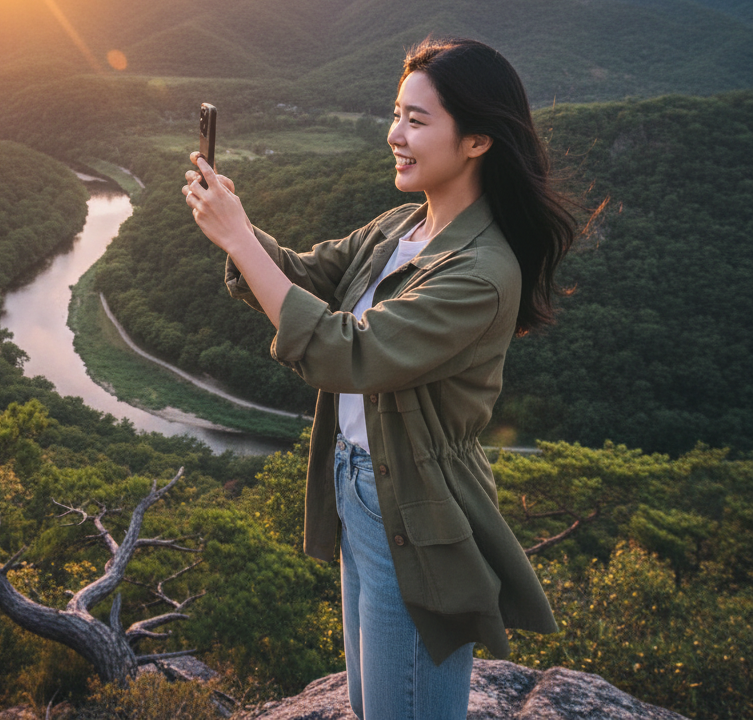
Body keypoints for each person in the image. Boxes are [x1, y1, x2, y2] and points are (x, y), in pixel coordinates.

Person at [182, 36, 575, 720]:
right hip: (356, 481)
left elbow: (351, 355)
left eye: (416, 121)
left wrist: (240, 239)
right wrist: (234, 227)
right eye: (397, 115)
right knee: (372, 704)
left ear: (477, 141)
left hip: (418, 507)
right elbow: (303, 277)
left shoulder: (480, 272)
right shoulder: (401, 228)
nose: (395, 135)